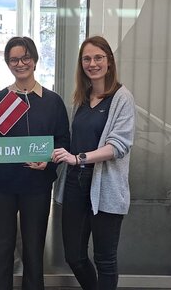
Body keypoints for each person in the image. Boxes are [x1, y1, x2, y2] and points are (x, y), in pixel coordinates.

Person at [0, 36, 70, 290]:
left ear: (35, 59)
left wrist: (49, 163)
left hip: (37, 185)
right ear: (8, 63)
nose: (20, 63)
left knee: (33, 249)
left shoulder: (52, 101)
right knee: (1, 248)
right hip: (1, 186)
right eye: (13, 59)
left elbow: (64, 141)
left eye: (25, 57)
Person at [52, 35, 135, 290]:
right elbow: (73, 141)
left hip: (106, 188)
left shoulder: (122, 98)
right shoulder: (82, 97)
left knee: (105, 261)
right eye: (87, 58)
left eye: (98, 57)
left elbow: (118, 146)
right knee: (74, 257)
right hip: (76, 185)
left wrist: (79, 159)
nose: (92, 63)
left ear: (109, 61)